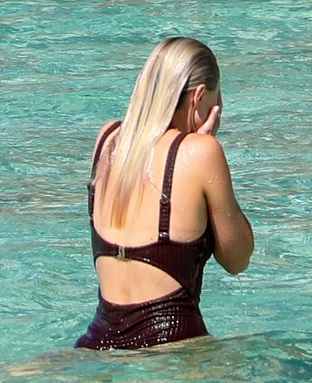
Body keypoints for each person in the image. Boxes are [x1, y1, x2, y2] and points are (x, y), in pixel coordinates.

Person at [76, 32, 254, 351]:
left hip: (97, 344)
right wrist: (206, 142)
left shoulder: (108, 140)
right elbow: (237, 258)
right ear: (198, 97)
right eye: (217, 103)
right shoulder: (201, 152)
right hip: (171, 347)